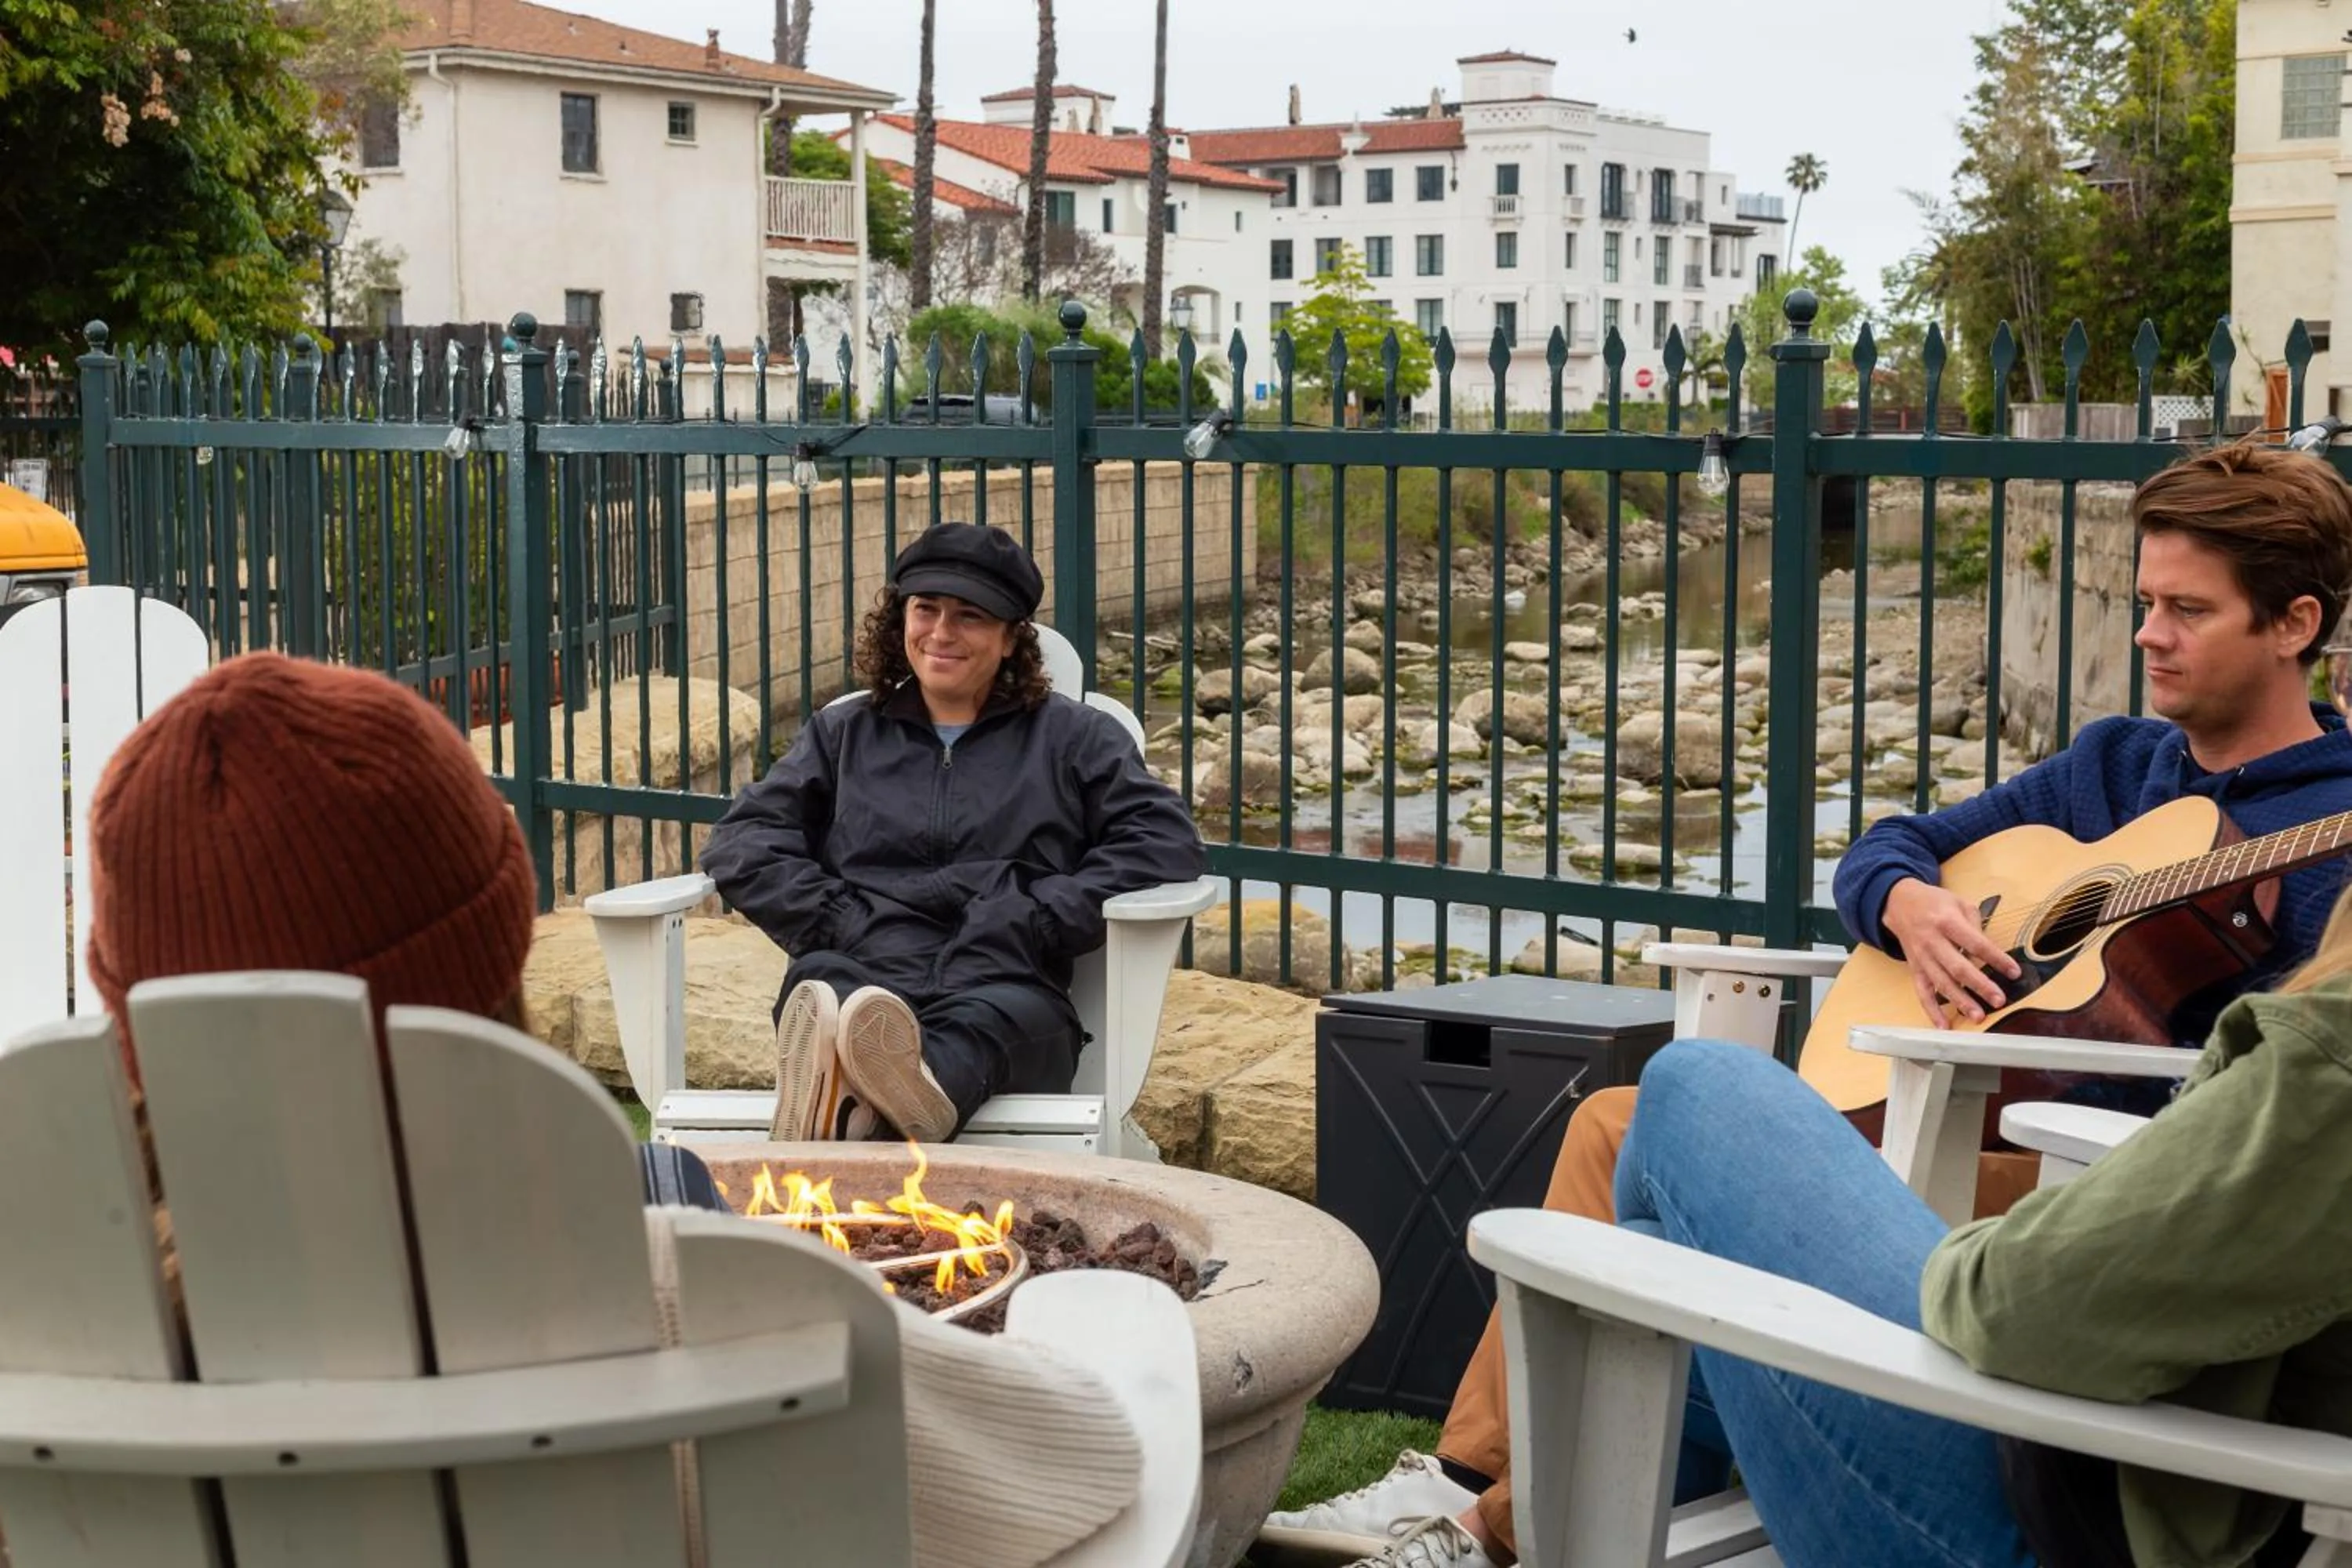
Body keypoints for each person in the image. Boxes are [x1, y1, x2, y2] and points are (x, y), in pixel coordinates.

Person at [1265, 439, 2352, 1567]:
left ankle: (1495, 1521)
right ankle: (1474, 1484)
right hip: (1957, 1121)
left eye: (2187, 610)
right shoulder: (2120, 764)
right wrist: (1914, 910)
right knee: (1612, 1124)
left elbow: (2261, 1120)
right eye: (2142, 602)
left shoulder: (2331, 843)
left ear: (2294, 625)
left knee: (1664, 1153)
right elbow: (1890, 847)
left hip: (2085, 1182)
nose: (2146, 636)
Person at [71, 652, 1157, 1568]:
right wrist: (1113, 1328)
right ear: (503, 949)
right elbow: (1089, 1470)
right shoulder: (686, 1300)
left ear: (126, 999)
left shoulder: (60, 1328)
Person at [700, 521, 1206, 1143]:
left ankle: (883, 1099)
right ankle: (874, 1092)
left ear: (1011, 638)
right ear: (899, 622)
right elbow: (744, 839)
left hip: (1008, 986)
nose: (941, 633)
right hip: (863, 966)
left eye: (969, 616)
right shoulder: (845, 735)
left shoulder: (1076, 739)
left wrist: (1038, 917)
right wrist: (839, 918)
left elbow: (1162, 841)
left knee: (980, 1028)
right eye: (926, 609)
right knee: (828, 993)